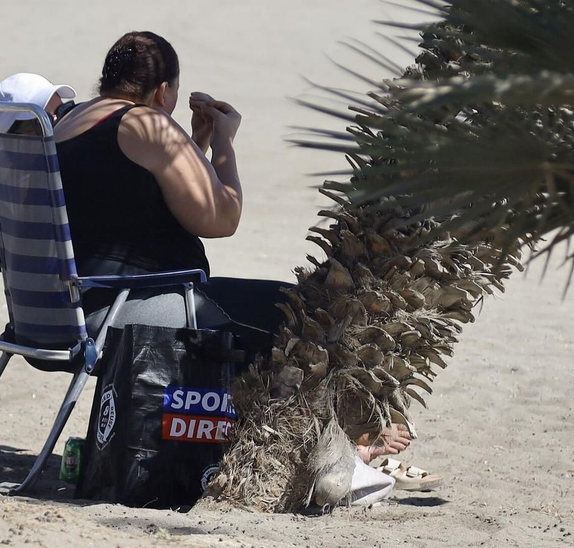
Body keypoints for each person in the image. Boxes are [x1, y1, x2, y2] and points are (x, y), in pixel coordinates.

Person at [55, 31, 423, 475]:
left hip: (71, 309)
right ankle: (336, 450)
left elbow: (129, 201)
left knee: (266, 306)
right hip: (132, 311)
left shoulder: (70, 123)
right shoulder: (147, 123)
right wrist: (225, 143)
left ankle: (341, 444)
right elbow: (220, 219)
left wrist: (195, 147)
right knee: (301, 313)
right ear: (164, 90)